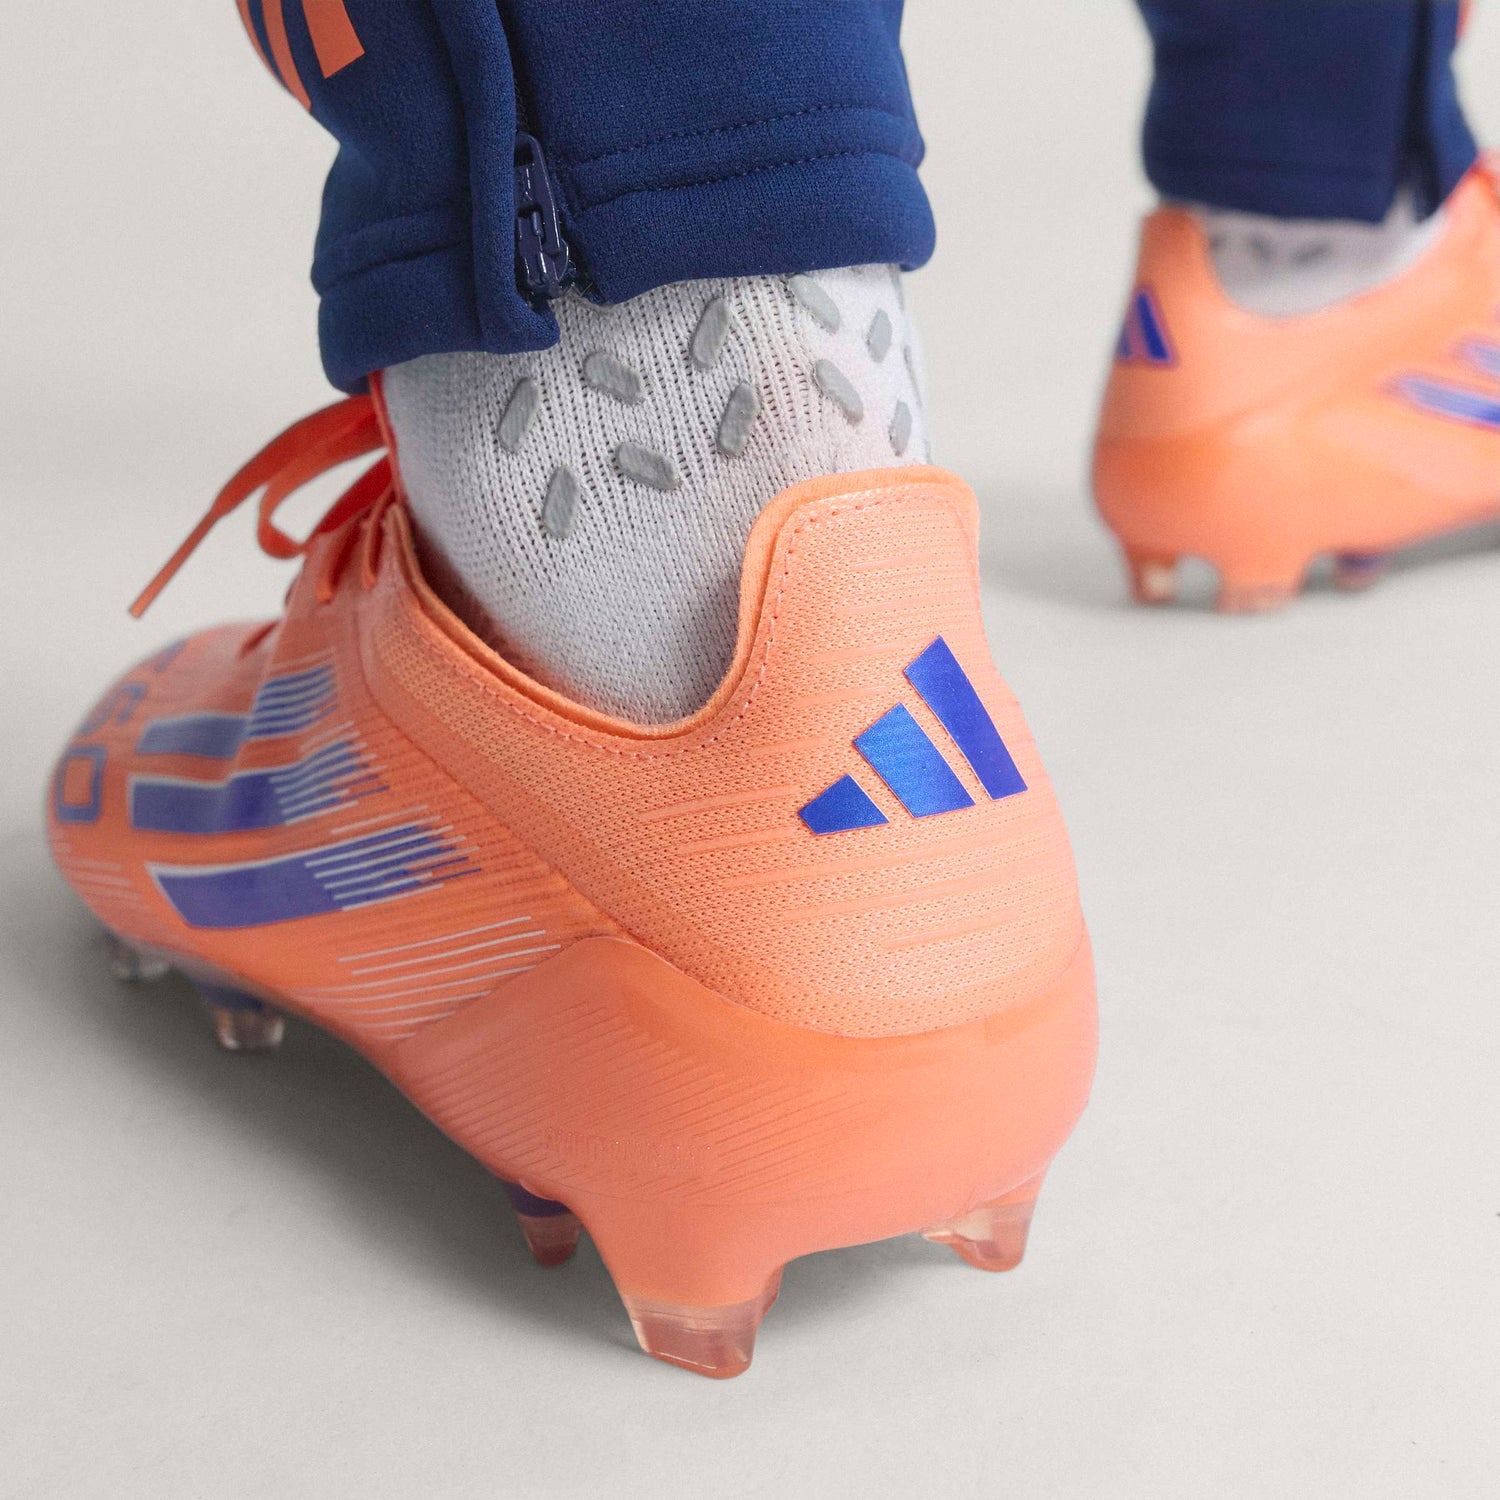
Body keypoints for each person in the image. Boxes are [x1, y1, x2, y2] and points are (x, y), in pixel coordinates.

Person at [45, 2, 1494, 1377]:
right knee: (1310, 173)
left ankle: (594, 627)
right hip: (934, 789)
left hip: (687, 850)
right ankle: (1315, 252)